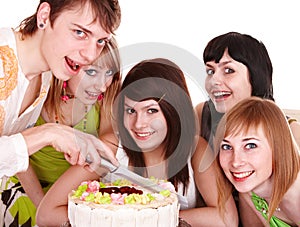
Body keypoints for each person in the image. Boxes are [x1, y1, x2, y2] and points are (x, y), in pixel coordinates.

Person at [36, 58, 238, 226]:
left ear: (174, 111)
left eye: (151, 111)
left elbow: (227, 219)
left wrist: (149, 218)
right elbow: (46, 212)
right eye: (130, 110)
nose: (139, 124)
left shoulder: (195, 150)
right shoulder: (111, 148)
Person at [0, 37, 121, 226]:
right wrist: (43, 206)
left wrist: (56, 206)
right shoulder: (40, 93)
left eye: (109, 73)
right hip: (27, 189)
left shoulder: (106, 98)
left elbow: (105, 151)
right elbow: (17, 149)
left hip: (70, 195)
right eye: (91, 72)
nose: (102, 85)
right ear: (70, 66)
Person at [0, 0, 121, 177]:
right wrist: (48, 134)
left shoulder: (46, 75)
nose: (90, 55)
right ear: (44, 16)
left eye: (101, 40)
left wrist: (62, 133)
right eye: (79, 32)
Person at [195, 32, 300, 155]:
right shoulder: (201, 115)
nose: (214, 81)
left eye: (229, 70)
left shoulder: (291, 131)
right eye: (210, 71)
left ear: (255, 76)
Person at [214, 97, 300, 226]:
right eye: (227, 147)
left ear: (278, 148)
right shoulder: (250, 190)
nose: (236, 162)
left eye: (250, 146)